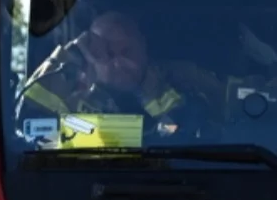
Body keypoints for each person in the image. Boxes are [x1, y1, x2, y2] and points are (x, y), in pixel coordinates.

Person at [19, 11, 212, 146]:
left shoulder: (178, 81)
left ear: (143, 46)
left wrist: (151, 93)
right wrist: (70, 55)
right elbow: (28, 126)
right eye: (107, 52)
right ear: (91, 55)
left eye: (127, 50)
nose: (119, 61)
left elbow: (188, 134)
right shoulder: (74, 96)